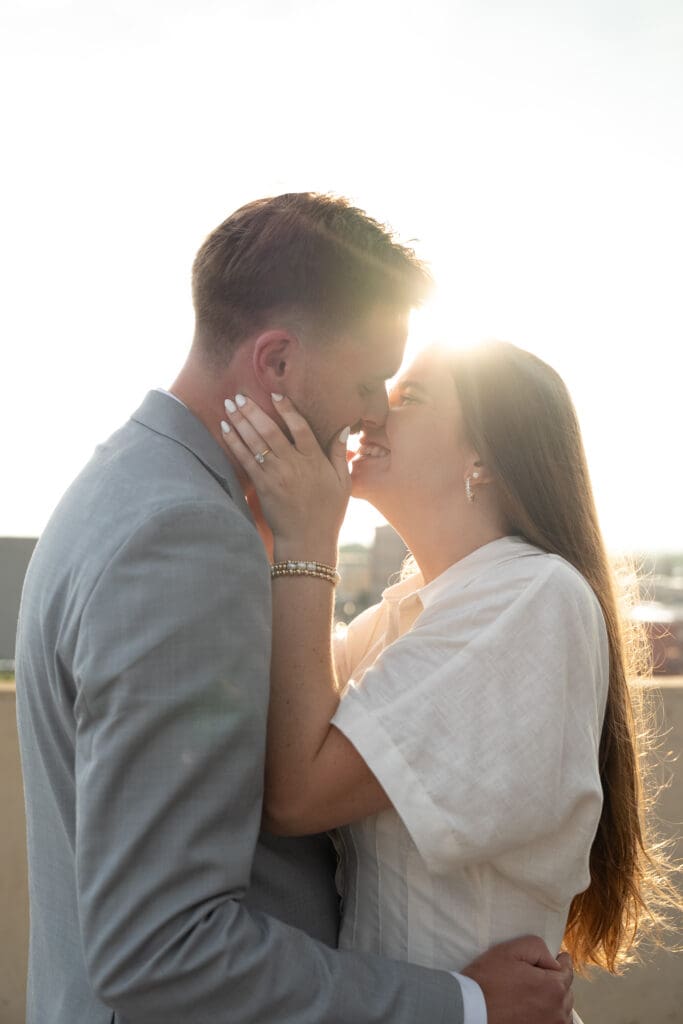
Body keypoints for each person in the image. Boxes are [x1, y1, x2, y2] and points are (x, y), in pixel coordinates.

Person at [15, 194, 575, 1024]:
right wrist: (462, 1004)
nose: (374, 411)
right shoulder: (184, 535)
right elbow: (162, 948)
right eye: (369, 379)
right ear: (275, 362)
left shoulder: (131, 485)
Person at [219, 337, 680, 1004]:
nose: (372, 412)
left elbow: (297, 793)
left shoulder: (531, 595)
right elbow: (283, 706)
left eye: (410, 397)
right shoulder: (397, 618)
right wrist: (272, 519)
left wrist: (308, 538)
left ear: (483, 458)